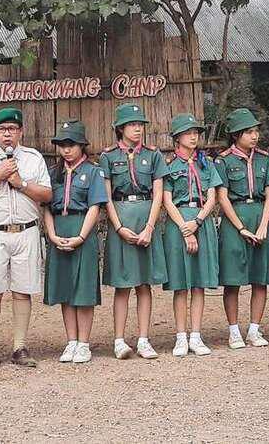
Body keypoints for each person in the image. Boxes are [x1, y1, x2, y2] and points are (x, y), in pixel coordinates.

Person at [0, 108, 52, 370]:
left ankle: (20, 347)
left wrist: (20, 183)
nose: (7, 134)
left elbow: (47, 195)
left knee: (22, 291)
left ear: (20, 132)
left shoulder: (33, 158)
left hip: (26, 231)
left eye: (12, 129)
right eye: (2, 129)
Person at [100, 103, 169, 360]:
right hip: (121, 218)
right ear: (120, 128)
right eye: (132, 124)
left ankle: (143, 339)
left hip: (146, 218)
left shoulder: (153, 155)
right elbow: (106, 196)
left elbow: (158, 193)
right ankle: (119, 341)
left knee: (144, 283)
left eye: (140, 124)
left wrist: (150, 227)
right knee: (122, 284)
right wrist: (118, 227)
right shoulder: (108, 157)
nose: (138, 129)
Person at [43, 120, 108, 364]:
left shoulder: (93, 172)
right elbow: (46, 207)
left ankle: (84, 343)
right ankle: (71, 341)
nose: (66, 149)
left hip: (82, 230)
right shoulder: (52, 173)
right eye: (62, 145)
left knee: (84, 288)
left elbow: (95, 207)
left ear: (82, 146)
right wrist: (51, 234)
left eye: (71, 144)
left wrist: (81, 236)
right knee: (65, 288)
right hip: (59, 230)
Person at [215, 108, 269, 349]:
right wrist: (241, 228)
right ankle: (234, 331)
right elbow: (222, 198)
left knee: (260, 278)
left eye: (256, 131)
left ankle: (254, 329)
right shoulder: (223, 161)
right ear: (235, 135)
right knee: (233, 279)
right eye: (248, 132)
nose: (254, 136)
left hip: (260, 215)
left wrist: (264, 225)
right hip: (235, 219)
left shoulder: (264, 158)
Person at [162, 113, 222, 357]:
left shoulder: (206, 164)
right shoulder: (169, 166)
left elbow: (212, 197)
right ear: (177, 138)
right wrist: (185, 228)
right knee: (180, 284)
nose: (193, 136)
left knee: (198, 283)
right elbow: (166, 200)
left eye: (196, 132)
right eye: (188, 133)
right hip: (178, 223)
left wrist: (197, 222)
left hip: (202, 221)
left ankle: (196, 336)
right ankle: (180, 337)